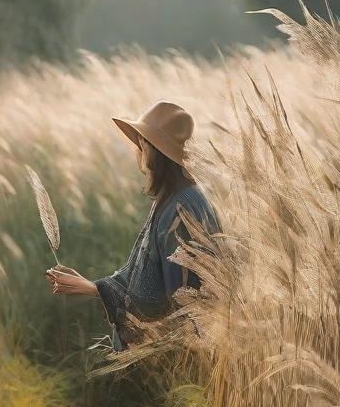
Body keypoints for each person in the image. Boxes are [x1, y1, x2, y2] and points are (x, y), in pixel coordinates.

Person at [46, 101, 220, 351]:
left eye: (143, 144)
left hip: (182, 360)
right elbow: (144, 275)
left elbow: (178, 303)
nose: (139, 152)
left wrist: (92, 289)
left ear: (155, 153)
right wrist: (89, 285)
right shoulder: (175, 197)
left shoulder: (179, 211)